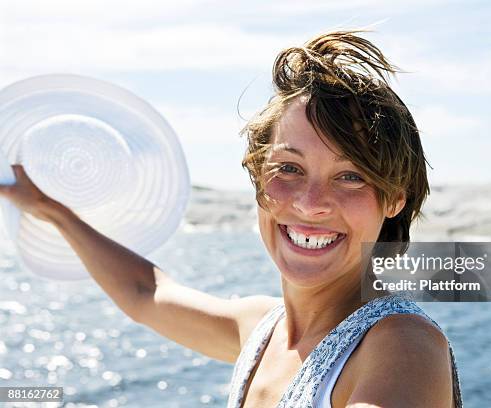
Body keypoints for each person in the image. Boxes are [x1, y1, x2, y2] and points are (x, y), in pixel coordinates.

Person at [0, 30, 462, 407]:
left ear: (394, 198)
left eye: (351, 176)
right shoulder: (261, 330)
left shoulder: (401, 345)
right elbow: (145, 292)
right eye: (289, 168)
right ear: (258, 176)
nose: (310, 202)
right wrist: (51, 211)